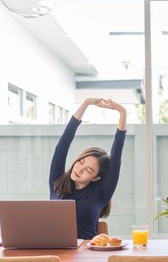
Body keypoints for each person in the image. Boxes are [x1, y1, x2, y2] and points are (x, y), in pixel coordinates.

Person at [49, 97, 127, 239]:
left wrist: (123, 113)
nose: (80, 169)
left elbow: (116, 155)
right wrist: (85, 104)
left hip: (85, 255)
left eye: (89, 170)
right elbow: (62, 144)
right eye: (81, 162)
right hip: (53, 252)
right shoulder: (57, 183)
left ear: (96, 177)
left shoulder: (100, 194)